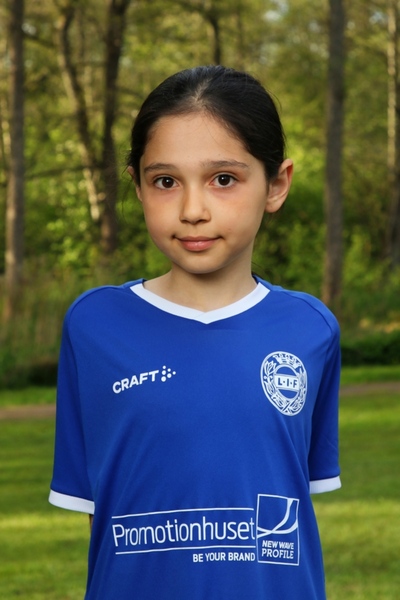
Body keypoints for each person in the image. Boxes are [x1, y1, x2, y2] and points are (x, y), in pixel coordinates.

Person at [49, 65, 341, 599]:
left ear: (276, 184)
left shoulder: (311, 329)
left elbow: (291, 503)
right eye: (166, 182)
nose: (192, 210)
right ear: (138, 186)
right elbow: (103, 515)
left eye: (223, 179)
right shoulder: (94, 326)